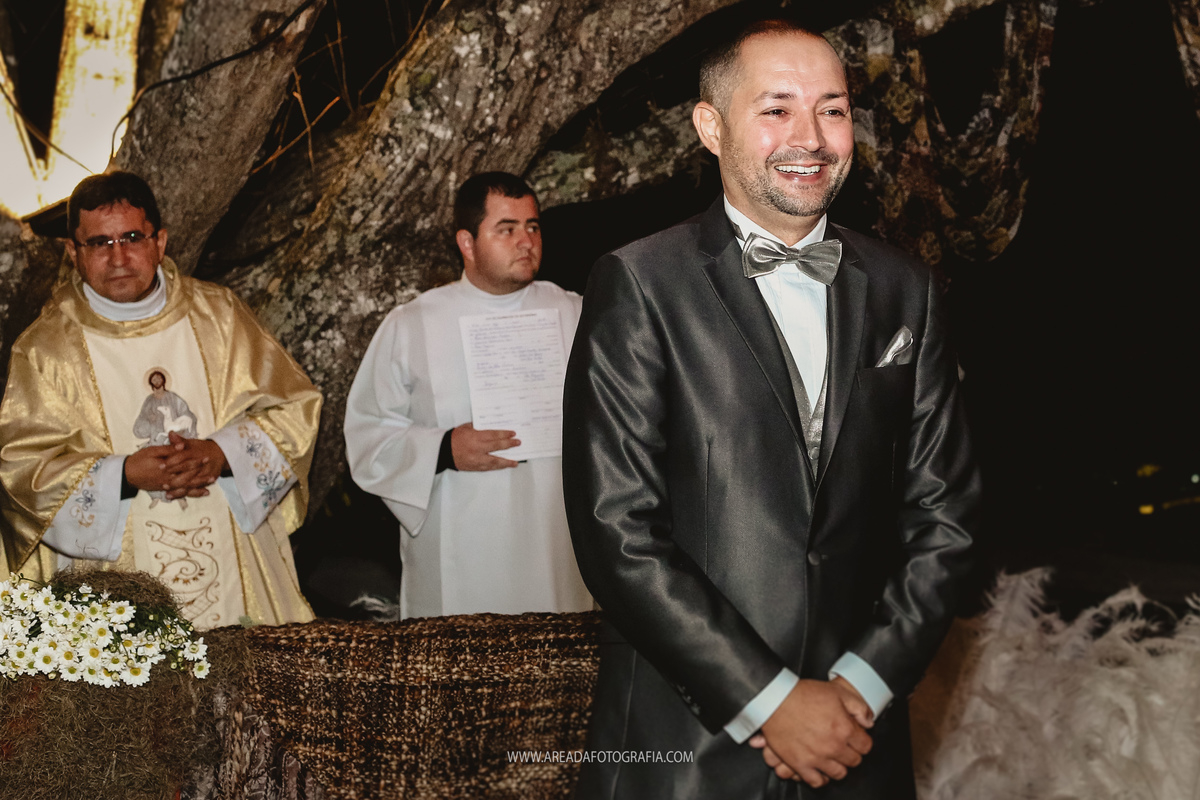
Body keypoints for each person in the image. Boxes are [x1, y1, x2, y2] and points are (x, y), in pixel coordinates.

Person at [562, 20, 980, 799]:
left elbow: (945, 517)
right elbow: (616, 529)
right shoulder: (639, 283)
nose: (811, 137)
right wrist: (772, 699)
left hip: (857, 745)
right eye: (777, 109)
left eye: (832, 109)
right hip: (686, 747)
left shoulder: (906, 290)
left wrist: (860, 687)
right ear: (710, 127)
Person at [0, 171, 321, 629]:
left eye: (132, 238)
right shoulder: (46, 349)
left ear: (160, 242)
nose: (118, 258)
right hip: (115, 579)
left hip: (237, 559)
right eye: (99, 243)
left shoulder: (219, 315)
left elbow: (295, 409)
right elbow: (23, 469)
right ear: (73, 252)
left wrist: (220, 454)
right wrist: (124, 474)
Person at [344, 172, 591, 618]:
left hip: (556, 539)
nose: (526, 242)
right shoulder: (412, 325)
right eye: (507, 229)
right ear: (467, 243)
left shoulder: (575, 314)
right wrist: (442, 449)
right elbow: (368, 434)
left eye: (533, 227)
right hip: (460, 542)